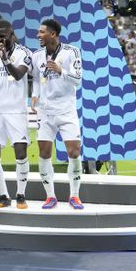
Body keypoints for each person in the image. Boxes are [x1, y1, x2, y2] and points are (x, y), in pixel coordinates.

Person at [31, 18, 84, 210]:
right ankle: (50, 196)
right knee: (44, 153)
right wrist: (35, 96)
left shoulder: (72, 52)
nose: (38, 35)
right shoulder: (37, 56)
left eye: (42, 32)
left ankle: (75, 196)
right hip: (45, 111)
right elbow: (36, 80)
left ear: (53, 34)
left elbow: (77, 79)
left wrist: (61, 70)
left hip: (66, 110)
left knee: (74, 152)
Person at [0, 20, 32, 210]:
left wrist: (5, 59)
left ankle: (21, 195)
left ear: (12, 35)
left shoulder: (24, 53)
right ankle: (4, 196)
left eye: (3, 36)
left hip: (16, 111)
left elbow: (19, 74)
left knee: (21, 152)